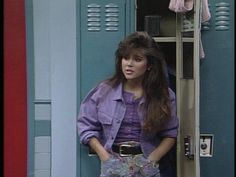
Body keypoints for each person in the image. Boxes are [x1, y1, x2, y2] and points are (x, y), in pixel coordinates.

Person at [77, 31, 179, 177]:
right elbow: (86, 127)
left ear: (149, 65)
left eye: (137, 59)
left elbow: (170, 134)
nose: (129, 64)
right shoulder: (103, 91)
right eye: (125, 58)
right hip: (113, 162)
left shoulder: (164, 95)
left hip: (146, 163)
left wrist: (152, 160)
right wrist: (104, 156)